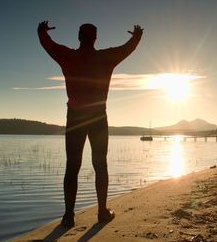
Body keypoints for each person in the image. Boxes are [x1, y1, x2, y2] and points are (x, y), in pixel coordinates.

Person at [37, 21, 143, 227]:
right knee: (100, 165)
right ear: (95, 38)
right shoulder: (106, 57)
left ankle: (68, 216)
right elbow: (127, 48)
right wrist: (137, 35)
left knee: (72, 167)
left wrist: (41, 30)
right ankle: (102, 212)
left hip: (75, 117)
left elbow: (47, 45)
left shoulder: (68, 56)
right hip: (98, 118)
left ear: (79, 37)